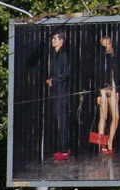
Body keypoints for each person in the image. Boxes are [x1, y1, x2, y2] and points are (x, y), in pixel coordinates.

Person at [45, 29, 72, 162]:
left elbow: (66, 74)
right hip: (55, 93)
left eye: (55, 39)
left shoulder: (63, 55)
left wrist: (53, 81)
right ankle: (62, 148)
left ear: (61, 41)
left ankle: (64, 150)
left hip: (62, 93)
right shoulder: (54, 55)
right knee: (58, 121)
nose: (53, 41)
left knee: (62, 122)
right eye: (52, 39)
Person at [92, 34, 119, 154]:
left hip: (112, 86)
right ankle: (102, 143)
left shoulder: (113, 56)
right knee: (104, 116)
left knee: (116, 116)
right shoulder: (99, 58)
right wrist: (98, 93)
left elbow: (116, 73)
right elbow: (97, 75)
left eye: (108, 43)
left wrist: (116, 90)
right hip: (103, 87)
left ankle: (110, 141)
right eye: (104, 44)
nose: (107, 46)